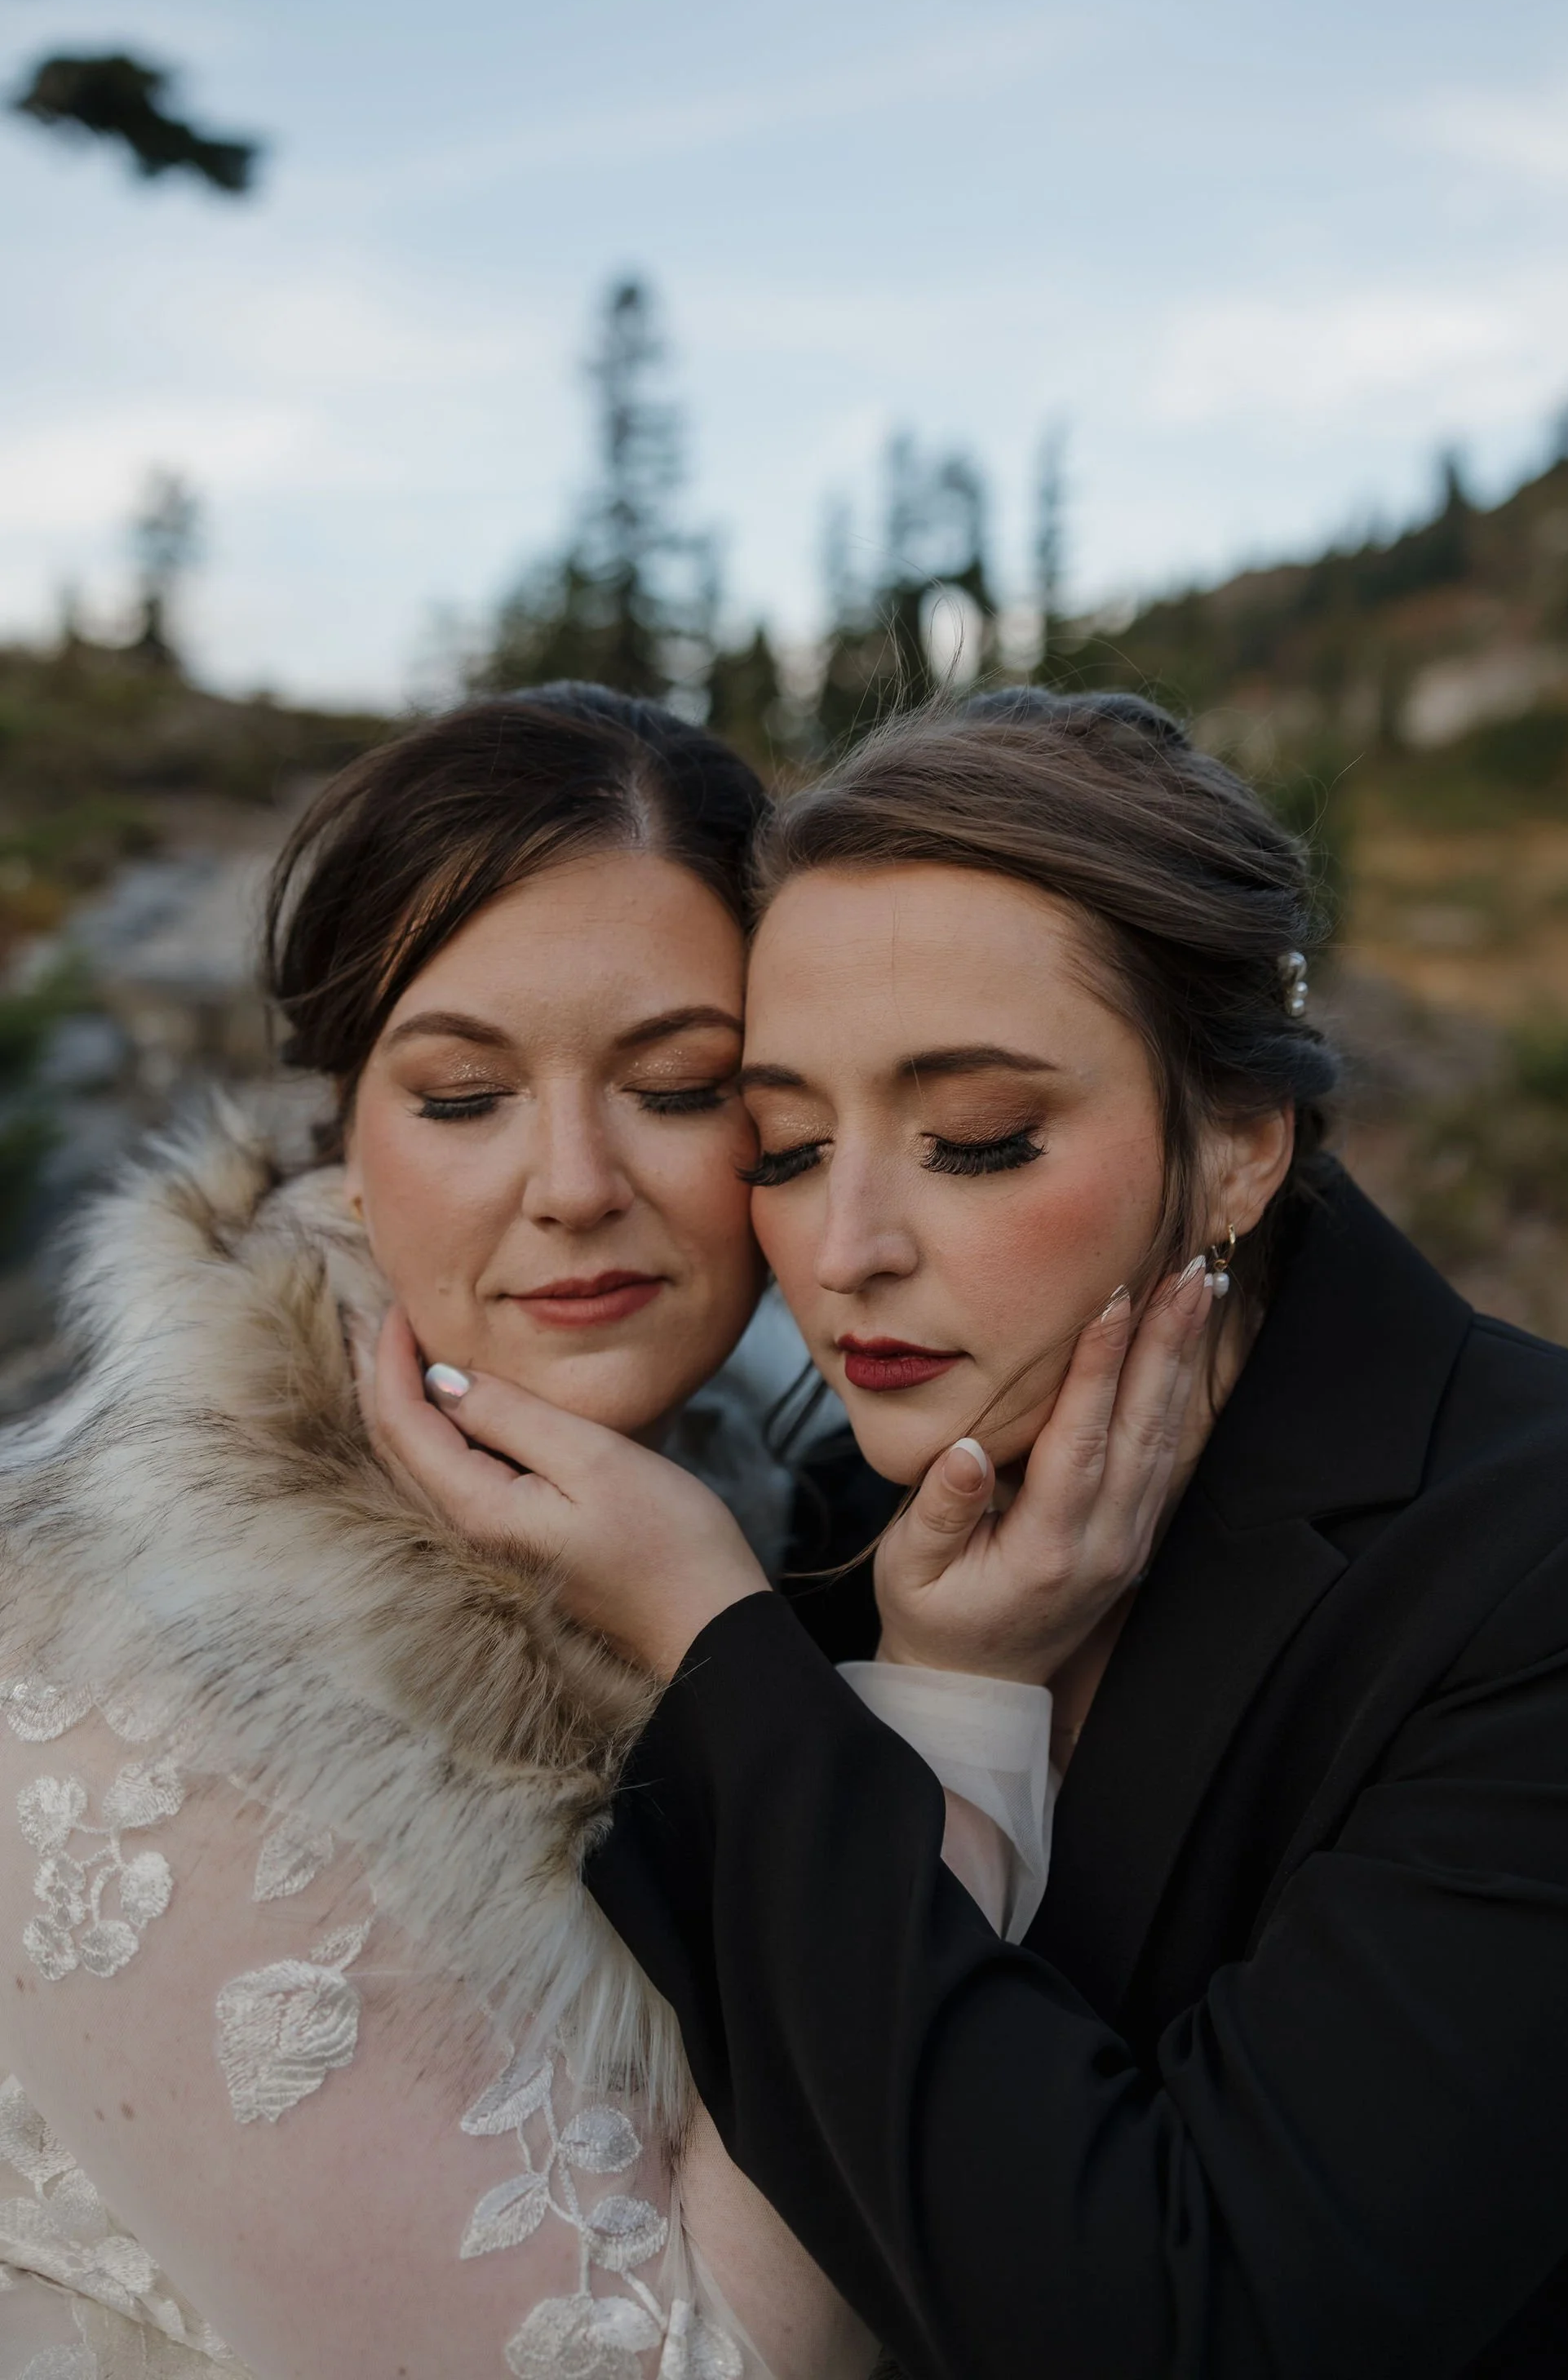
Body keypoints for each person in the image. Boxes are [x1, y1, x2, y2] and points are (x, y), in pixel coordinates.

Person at [374, 692, 1568, 2380]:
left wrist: (710, 1640)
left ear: (1240, 1143)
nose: (844, 1249)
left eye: (974, 1141)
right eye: (787, 1145)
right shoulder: (839, 1505)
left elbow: (1197, 2323)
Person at [4, 686, 1168, 2379]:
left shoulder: (759, 1469)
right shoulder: (144, 1672)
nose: (571, 1183)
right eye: (463, 1095)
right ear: (347, 1140)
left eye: (679, 1088)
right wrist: (945, 1704)